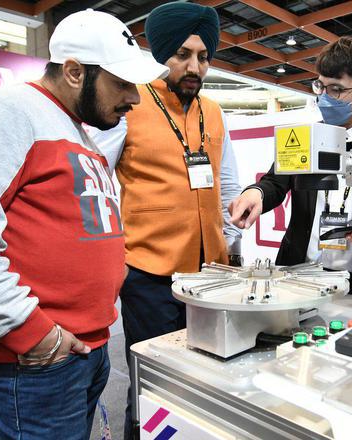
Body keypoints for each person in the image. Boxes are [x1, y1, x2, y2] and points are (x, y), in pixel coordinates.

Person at [0, 9, 168, 440]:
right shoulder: (6, 111)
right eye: (122, 83)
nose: (134, 97)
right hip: (35, 364)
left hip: (81, 352)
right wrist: (30, 331)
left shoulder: (76, 130)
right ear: (75, 72)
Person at [89, 2, 240, 438]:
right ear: (159, 54)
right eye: (182, 55)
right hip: (149, 275)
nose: (194, 67)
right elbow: (95, 182)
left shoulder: (214, 111)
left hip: (211, 276)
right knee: (152, 386)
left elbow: (227, 182)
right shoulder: (128, 104)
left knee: (206, 378)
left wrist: (230, 240)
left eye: (204, 57)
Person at [229, 37, 352, 300]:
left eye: (336, 89)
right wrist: (255, 193)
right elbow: (274, 182)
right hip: (297, 274)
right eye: (320, 86)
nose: (324, 98)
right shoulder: (305, 138)